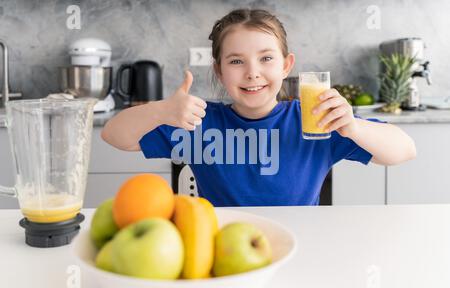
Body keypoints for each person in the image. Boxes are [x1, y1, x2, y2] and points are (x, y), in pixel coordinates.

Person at [101, 8, 416, 207]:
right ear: (220, 71)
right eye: (236, 61)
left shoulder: (314, 121)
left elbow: (404, 150)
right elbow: (114, 135)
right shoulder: (198, 122)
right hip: (223, 250)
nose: (252, 72)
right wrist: (161, 111)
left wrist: (354, 126)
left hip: (298, 248)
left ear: (286, 66)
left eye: (266, 58)